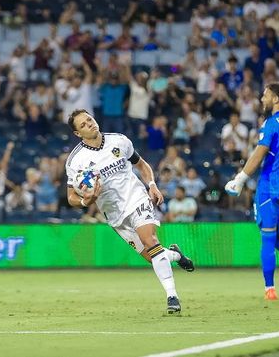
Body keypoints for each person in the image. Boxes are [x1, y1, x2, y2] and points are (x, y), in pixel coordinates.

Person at [64, 109, 195, 314]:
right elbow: (71, 197)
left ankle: (172, 297)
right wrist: (85, 200)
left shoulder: (120, 141)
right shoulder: (75, 162)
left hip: (136, 198)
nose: (89, 124)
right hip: (114, 214)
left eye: (89, 119)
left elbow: (142, 166)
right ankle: (176, 255)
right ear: (77, 134)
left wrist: (151, 184)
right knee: (153, 256)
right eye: (83, 125)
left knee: (151, 241)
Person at [224, 82, 279, 301]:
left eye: (265, 96)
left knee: (267, 237)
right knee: (278, 237)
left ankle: (270, 290)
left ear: (275, 99)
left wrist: (240, 179)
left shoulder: (271, 124)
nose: (262, 99)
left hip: (270, 186)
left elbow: (259, 153)